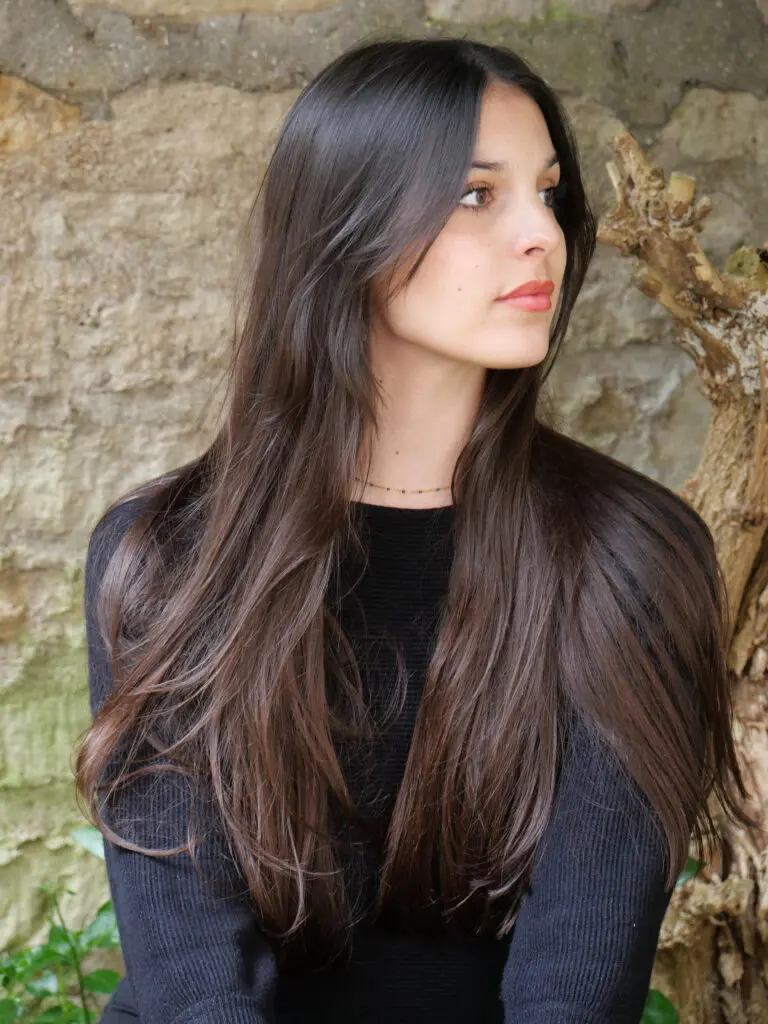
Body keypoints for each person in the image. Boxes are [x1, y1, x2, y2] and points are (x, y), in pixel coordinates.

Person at [76, 37, 755, 1024]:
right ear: (344, 228)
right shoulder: (167, 555)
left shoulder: (628, 557)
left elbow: (577, 987)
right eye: (478, 194)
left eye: (548, 193)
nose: (542, 234)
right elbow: (193, 985)